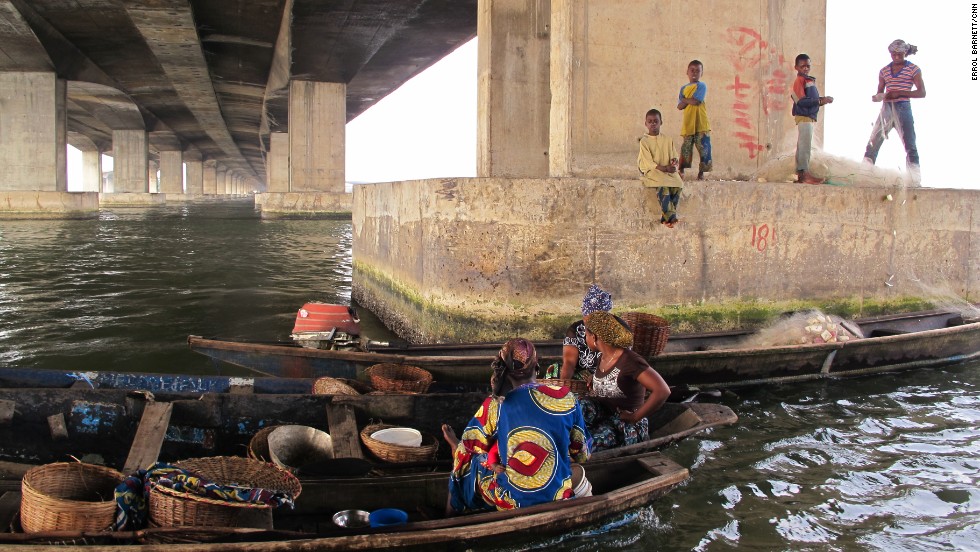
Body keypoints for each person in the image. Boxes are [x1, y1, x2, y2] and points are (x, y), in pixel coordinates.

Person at [443, 338, 592, 514]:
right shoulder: (566, 398)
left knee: (464, 453)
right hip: (558, 496)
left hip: (512, 501)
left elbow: (471, 444)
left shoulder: (495, 404)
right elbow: (582, 455)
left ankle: (451, 511)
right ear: (537, 365)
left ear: (504, 370)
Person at [578, 311, 670, 452]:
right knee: (573, 408)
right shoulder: (602, 357)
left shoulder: (631, 361)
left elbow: (662, 391)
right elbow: (613, 380)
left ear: (594, 337)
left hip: (625, 423)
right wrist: (595, 380)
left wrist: (634, 417)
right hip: (605, 411)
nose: (585, 337)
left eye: (586, 334)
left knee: (584, 446)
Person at [863, 39, 926, 179]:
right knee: (873, 142)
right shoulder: (884, 71)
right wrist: (878, 96)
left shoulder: (913, 69)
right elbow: (879, 92)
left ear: (905, 53)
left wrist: (900, 93)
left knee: (910, 144)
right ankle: (864, 175)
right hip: (886, 108)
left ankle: (914, 179)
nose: (897, 57)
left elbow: (922, 93)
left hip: (903, 107)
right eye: (893, 54)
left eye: (899, 54)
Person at [790, 53, 834, 185]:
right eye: (802, 66)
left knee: (805, 144)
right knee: (804, 145)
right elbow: (800, 101)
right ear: (796, 67)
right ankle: (803, 174)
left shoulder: (808, 80)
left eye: (808, 66)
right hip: (804, 116)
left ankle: (802, 173)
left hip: (808, 116)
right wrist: (820, 101)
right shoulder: (800, 81)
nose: (806, 68)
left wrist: (820, 100)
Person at [638, 108, 684, 228]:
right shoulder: (644, 141)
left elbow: (674, 156)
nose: (653, 124)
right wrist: (664, 168)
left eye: (656, 121)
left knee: (678, 184)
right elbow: (647, 162)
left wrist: (674, 164)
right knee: (663, 188)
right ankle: (671, 218)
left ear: (661, 122)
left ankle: (666, 218)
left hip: (668, 171)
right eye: (650, 121)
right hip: (654, 171)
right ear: (646, 124)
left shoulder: (668, 140)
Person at [558, 284, 611, 380]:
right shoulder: (576, 329)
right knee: (554, 369)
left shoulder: (614, 330)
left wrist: (597, 377)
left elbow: (618, 360)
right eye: (586, 319)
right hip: (583, 374)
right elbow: (569, 362)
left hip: (608, 374)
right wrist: (564, 385)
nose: (588, 323)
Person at [676, 60, 712, 180]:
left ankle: (702, 173)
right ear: (687, 72)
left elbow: (696, 101)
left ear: (702, 73)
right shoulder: (683, 89)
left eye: (698, 71)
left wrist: (685, 100)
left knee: (704, 148)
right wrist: (687, 100)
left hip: (701, 123)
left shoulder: (701, 86)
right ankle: (681, 170)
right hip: (688, 123)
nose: (694, 73)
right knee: (686, 148)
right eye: (692, 70)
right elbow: (679, 106)